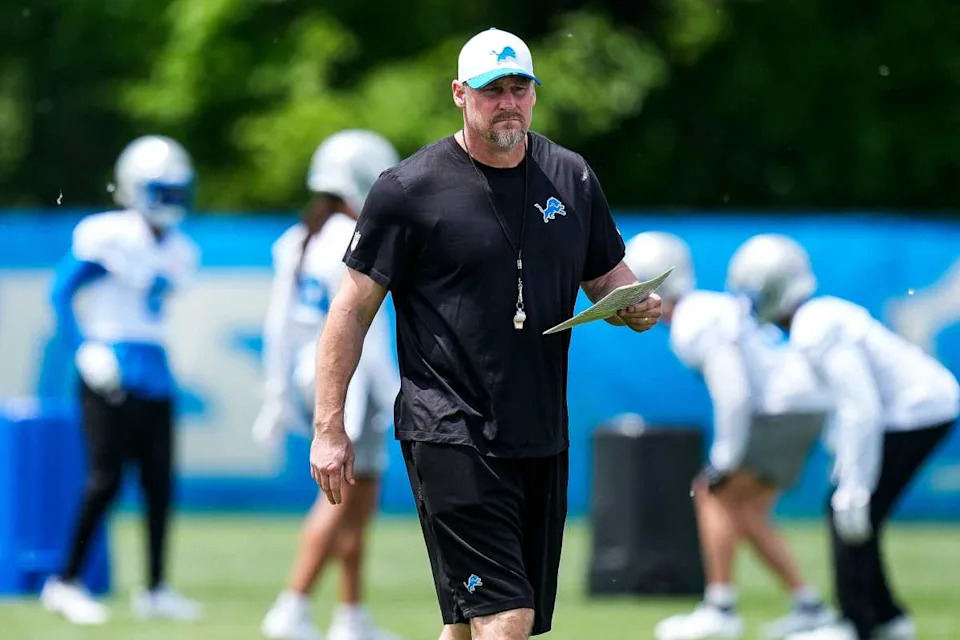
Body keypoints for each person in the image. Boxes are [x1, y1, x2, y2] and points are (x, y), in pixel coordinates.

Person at [306, 27, 662, 640]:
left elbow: (608, 278)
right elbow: (350, 311)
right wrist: (328, 427)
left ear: (534, 94)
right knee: (507, 616)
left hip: (540, 432)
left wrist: (636, 305)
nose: (508, 102)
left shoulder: (571, 178)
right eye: (491, 90)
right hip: (450, 429)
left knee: (472, 625)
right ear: (459, 95)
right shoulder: (408, 190)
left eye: (519, 88)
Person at [725, 234, 960, 640]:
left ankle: (858, 622)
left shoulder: (816, 325)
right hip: (916, 411)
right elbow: (846, 402)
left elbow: (861, 407)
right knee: (855, 515)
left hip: (917, 413)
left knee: (848, 511)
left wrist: (853, 483)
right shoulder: (817, 318)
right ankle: (886, 617)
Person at [624, 232, 836, 640]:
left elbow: (734, 392)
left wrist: (724, 458)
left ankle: (720, 607)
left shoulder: (692, 322)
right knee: (746, 510)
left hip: (780, 407)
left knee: (712, 492)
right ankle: (809, 605)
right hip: (800, 404)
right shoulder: (705, 309)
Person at [40, 135, 202, 624]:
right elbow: (60, 292)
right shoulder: (110, 233)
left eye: (177, 192)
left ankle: (154, 588)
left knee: (159, 484)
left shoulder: (180, 248)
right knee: (104, 480)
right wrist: (84, 347)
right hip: (109, 363)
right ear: (135, 188)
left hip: (154, 367)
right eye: (162, 191)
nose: (171, 202)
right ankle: (64, 582)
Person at [255, 130, 403, 640]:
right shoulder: (351, 237)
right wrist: (396, 393)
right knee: (342, 497)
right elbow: (368, 331)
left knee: (359, 500)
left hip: (315, 378)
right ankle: (292, 605)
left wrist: (276, 394)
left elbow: (278, 326)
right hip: (353, 384)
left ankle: (350, 614)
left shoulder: (298, 239)